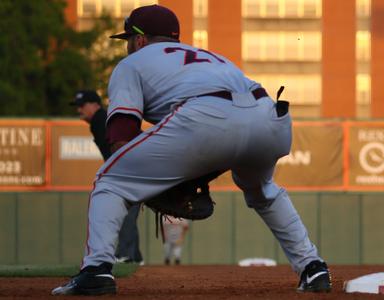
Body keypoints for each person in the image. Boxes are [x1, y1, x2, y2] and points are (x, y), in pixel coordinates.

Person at [52, 5, 330, 295]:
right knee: (264, 191)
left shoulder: (130, 65)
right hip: (270, 117)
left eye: (128, 41)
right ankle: (313, 267)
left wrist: (143, 182)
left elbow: (123, 134)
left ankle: (96, 269)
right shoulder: (210, 58)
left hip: (208, 116)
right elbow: (230, 131)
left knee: (109, 181)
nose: (128, 48)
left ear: (140, 40)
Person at [70, 90, 144, 266]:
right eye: (77, 106)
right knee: (127, 209)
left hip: (132, 166)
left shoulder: (99, 119)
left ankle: (126, 254)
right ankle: (133, 255)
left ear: (95, 105)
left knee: (123, 208)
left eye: (82, 105)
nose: (79, 109)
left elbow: (119, 145)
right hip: (137, 163)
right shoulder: (101, 119)